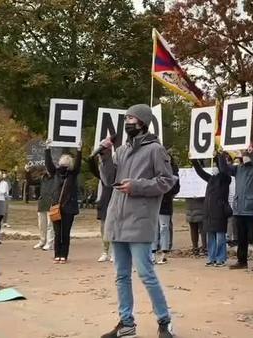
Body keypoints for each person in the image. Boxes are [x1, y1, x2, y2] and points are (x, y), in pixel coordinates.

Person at [99, 104, 175, 338]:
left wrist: (137, 186)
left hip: (140, 220)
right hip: (117, 219)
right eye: (126, 118)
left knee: (146, 274)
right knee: (121, 275)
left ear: (142, 121)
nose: (127, 122)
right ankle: (126, 323)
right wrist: (104, 155)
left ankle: (164, 321)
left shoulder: (156, 150)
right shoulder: (121, 150)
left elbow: (166, 181)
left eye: (130, 118)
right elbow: (109, 179)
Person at [223, 144, 253, 271]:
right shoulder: (239, 169)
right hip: (239, 208)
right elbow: (225, 169)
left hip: (252, 208)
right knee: (241, 237)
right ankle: (242, 261)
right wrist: (220, 156)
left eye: (246, 154)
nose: (244, 155)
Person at [45, 140, 82, 264]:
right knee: (61, 232)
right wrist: (47, 149)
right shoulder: (58, 173)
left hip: (65, 207)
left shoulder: (71, 173)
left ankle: (61, 255)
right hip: (61, 207)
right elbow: (49, 164)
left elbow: (77, 165)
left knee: (62, 232)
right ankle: (60, 255)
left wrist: (79, 150)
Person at [192, 153, 232, 267]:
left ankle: (221, 258)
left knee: (220, 237)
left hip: (219, 211)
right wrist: (194, 160)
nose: (214, 168)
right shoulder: (211, 179)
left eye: (216, 165)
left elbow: (224, 169)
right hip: (209, 212)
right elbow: (200, 172)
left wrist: (218, 157)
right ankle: (211, 257)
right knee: (211, 237)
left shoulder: (225, 178)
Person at [152, 155, 180, 265]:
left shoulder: (173, 173)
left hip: (165, 203)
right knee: (154, 229)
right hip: (154, 203)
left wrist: (167, 189)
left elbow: (176, 188)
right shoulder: (155, 170)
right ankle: (152, 252)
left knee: (164, 228)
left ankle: (164, 253)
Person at [89, 152, 114, 261]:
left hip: (114, 200)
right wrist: (92, 156)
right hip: (104, 201)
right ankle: (105, 251)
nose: (101, 159)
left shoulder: (115, 170)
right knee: (104, 228)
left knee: (114, 227)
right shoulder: (101, 171)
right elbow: (93, 168)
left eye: (103, 156)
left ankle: (114, 251)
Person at [34, 167, 55, 250]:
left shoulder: (55, 177)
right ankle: (42, 241)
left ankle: (49, 243)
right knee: (41, 224)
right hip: (42, 203)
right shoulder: (43, 178)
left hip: (51, 203)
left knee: (50, 224)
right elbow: (31, 182)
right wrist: (27, 172)